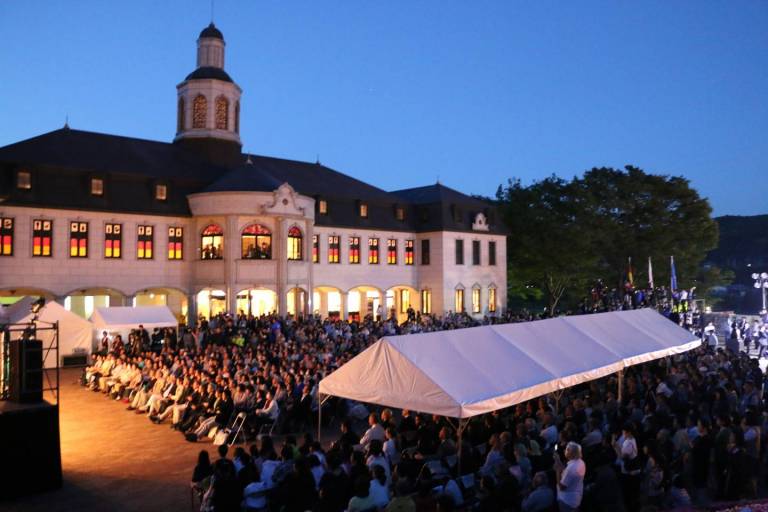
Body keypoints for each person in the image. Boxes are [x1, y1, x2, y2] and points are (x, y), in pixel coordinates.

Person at [554, 441, 586, 512]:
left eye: (567, 450)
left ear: (573, 453)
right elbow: (567, 473)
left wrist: (557, 471)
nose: (565, 451)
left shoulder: (571, 469)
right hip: (575, 498)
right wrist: (558, 461)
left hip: (567, 501)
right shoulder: (581, 462)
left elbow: (562, 487)